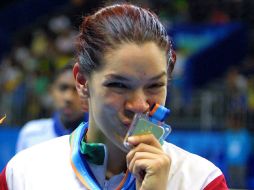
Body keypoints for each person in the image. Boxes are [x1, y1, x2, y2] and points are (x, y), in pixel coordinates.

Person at [0, 3, 228, 189]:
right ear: (82, 82)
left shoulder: (202, 180)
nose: (139, 105)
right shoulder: (22, 175)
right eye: (119, 85)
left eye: (155, 85)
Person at [16, 61, 88, 152]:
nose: (68, 97)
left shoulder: (100, 138)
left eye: (76, 89)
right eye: (63, 88)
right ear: (51, 91)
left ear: (87, 93)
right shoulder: (30, 134)